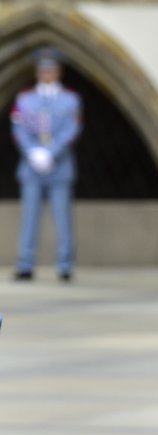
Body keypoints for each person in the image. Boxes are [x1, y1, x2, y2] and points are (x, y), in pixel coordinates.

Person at [10, 47, 82, 282]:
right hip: (32, 167)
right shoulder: (25, 99)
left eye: (50, 69)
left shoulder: (71, 100)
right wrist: (33, 152)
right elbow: (19, 128)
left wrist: (51, 153)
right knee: (29, 218)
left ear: (58, 72)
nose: (46, 73)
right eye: (42, 70)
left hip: (59, 166)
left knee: (62, 218)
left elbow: (72, 129)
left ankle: (64, 264)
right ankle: (25, 263)